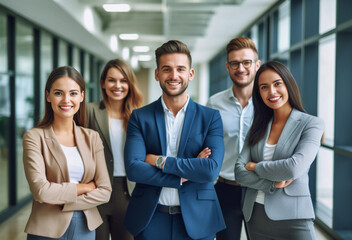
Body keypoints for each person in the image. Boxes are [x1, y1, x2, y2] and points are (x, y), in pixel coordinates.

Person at [123, 40, 226, 240]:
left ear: (191, 74)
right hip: (150, 218)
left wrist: (158, 160)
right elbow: (134, 169)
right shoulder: (139, 117)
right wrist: (182, 175)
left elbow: (210, 169)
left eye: (180, 69)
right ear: (157, 74)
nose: (174, 76)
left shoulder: (210, 117)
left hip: (198, 220)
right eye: (167, 69)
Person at [234, 61, 324, 239]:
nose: (272, 92)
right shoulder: (257, 127)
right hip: (255, 216)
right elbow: (238, 172)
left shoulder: (311, 124)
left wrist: (254, 167)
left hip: (294, 218)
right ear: (259, 93)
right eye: (264, 87)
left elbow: (293, 168)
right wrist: (271, 184)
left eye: (277, 84)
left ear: (288, 84)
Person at [22, 66, 112, 240]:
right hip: (46, 228)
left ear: (82, 96)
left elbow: (105, 191)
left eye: (73, 93)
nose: (66, 100)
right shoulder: (34, 137)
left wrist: (60, 200)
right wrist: (85, 187)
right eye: (58, 93)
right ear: (48, 96)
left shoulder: (92, 137)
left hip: (85, 228)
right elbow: (41, 191)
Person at [207, 37, 260, 240]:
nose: (241, 68)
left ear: (257, 65)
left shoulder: (269, 102)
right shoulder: (214, 103)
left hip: (259, 189)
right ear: (228, 67)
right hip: (225, 189)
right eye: (235, 63)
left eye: (246, 62)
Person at [86, 59, 143, 240]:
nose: (117, 85)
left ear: (130, 84)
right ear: (103, 83)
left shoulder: (139, 116)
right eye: (111, 80)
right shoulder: (89, 111)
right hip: (95, 191)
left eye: (123, 80)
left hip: (128, 192)